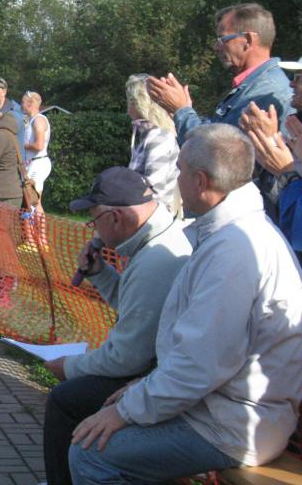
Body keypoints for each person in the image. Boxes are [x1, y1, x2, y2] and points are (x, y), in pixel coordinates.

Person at [69, 124, 302, 484]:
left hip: (232, 425)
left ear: (200, 181)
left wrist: (127, 411)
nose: (174, 180)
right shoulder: (233, 236)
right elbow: (201, 358)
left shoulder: (233, 252)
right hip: (223, 409)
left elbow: (199, 366)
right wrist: (142, 390)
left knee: (91, 454)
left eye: (179, 171)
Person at [41, 166, 191, 485]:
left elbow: (125, 359)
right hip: (163, 370)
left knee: (65, 400)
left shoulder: (155, 262)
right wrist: (100, 273)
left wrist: (68, 366)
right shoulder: (156, 240)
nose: (93, 230)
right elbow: (135, 305)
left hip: (163, 379)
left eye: (94, 220)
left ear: (116, 218)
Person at [147, 3, 292, 218]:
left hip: (240, 219)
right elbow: (221, 134)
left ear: (248, 40)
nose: (217, 47)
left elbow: (220, 155)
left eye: (223, 39)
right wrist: (182, 112)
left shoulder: (265, 94)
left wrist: (181, 111)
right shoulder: (255, 86)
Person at [240, 55, 302, 263]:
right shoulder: (296, 127)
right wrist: (268, 143)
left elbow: (296, 232)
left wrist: (287, 174)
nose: (291, 84)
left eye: (299, 78)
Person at [124, 74, 181, 214]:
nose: (127, 107)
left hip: (153, 220)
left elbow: (154, 191)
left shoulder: (159, 137)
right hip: (144, 215)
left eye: (129, 100)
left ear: (138, 103)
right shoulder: (146, 135)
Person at [21, 90, 51, 203]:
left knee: (34, 202)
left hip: (38, 164)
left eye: (23, 102)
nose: (21, 105)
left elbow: (39, 145)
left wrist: (21, 145)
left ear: (30, 103)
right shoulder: (29, 120)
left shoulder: (39, 120)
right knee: (29, 204)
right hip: (30, 163)